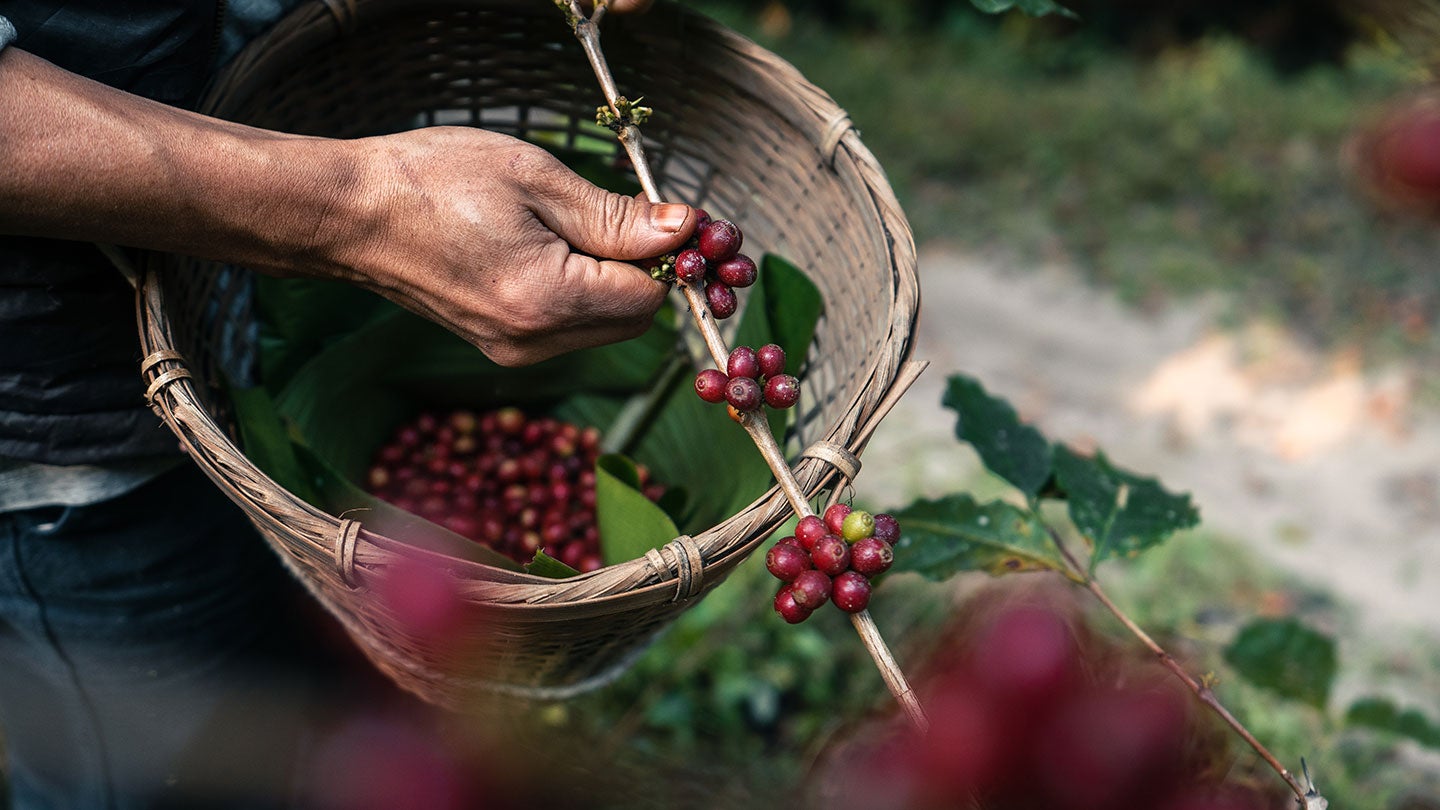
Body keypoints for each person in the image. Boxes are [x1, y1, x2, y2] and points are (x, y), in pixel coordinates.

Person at [0, 1, 693, 807]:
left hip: (236, 350)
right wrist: (362, 206)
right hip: (70, 450)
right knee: (169, 779)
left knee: (309, 724)